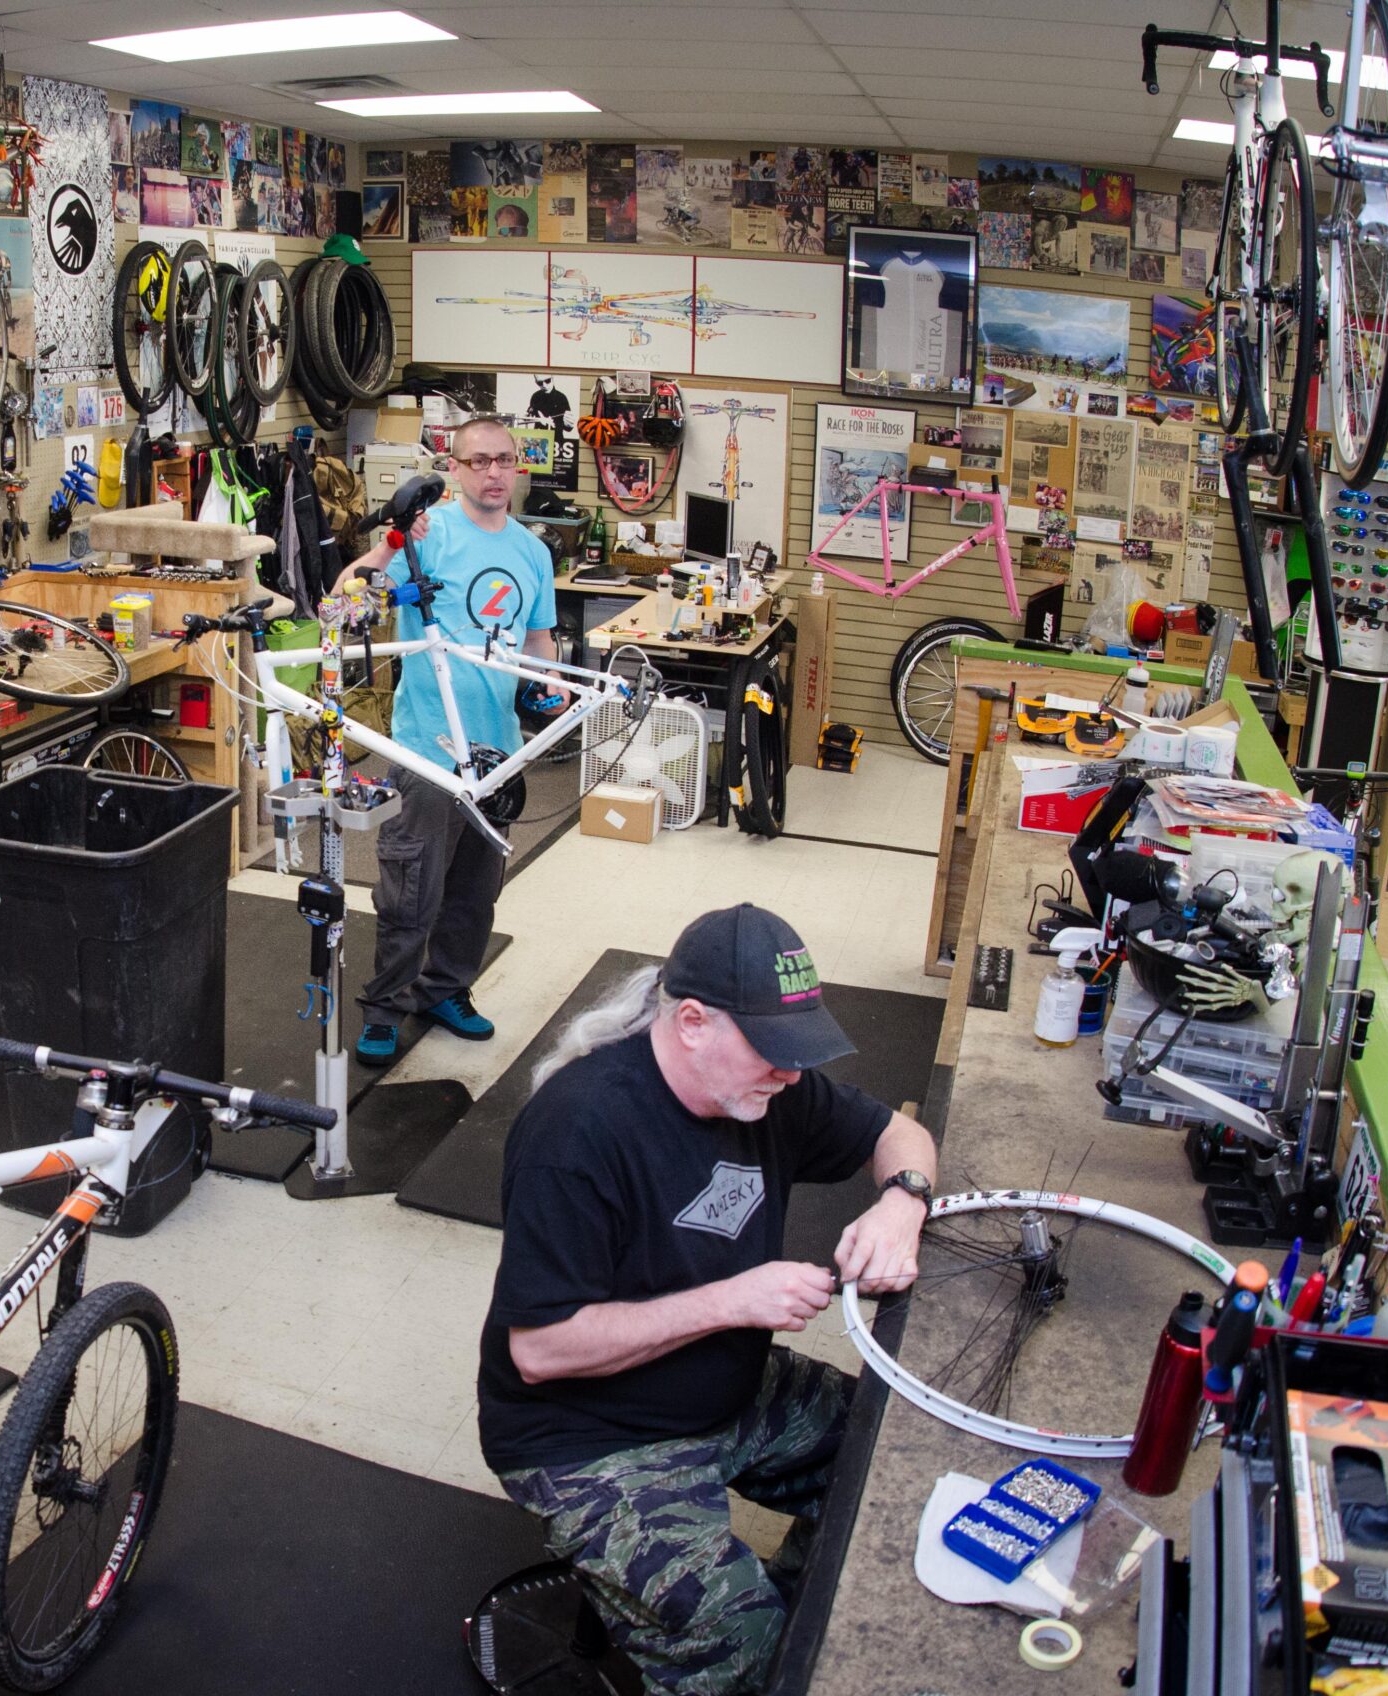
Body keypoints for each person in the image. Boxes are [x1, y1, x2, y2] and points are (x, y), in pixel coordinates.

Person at [479, 906, 936, 1696]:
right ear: (691, 1023)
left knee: (889, 1463)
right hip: (588, 1436)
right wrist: (732, 1300)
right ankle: (753, 1651)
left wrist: (904, 1200)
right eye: (775, 1053)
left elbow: (896, 1134)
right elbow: (541, 1349)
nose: (791, 1074)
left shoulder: (767, 1085)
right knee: (744, 1647)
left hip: (719, 1385)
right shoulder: (577, 1132)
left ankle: (800, 1620)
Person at [333, 414, 557, 1065]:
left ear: (518, 467)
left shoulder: (533, 552)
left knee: (474, 894)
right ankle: (384, 1006)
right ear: (454, 468)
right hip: (428, 750)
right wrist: (394, 540)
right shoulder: (428, 538)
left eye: (504, 460)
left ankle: (446, 989)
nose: (493, 472)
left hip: (499, 754)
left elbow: (539, 638)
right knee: (411, 891)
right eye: (479, 460)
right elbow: (344, 601)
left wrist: (551, 683)